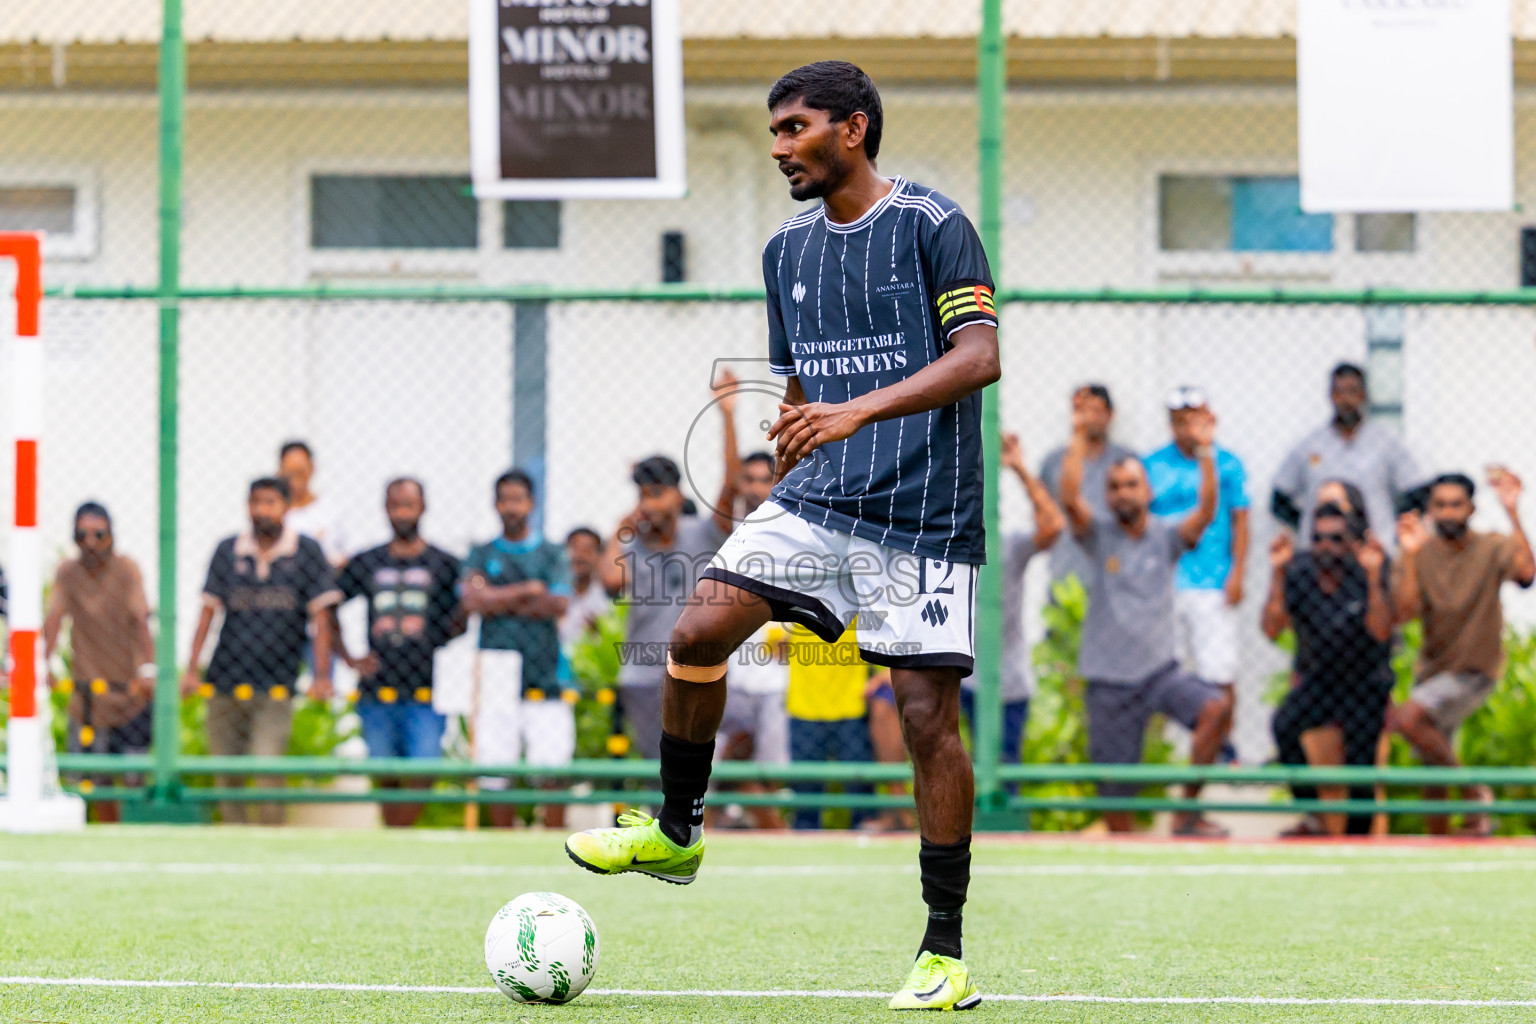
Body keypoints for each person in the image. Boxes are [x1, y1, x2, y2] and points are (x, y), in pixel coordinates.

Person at [566, 61, 999, 1010]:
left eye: (794, 129)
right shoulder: (784, 250)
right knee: (693, 633)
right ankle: (678, 833)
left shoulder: (935, 226)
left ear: (852, 129)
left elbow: (981, 357)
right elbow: (800, 382)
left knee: (926, 721)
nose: (777, 149)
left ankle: (943, 951)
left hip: (928, 512)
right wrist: (803, 426)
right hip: (824, 500)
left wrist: (853, 412)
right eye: (772, 132)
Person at [1060, 401, 1232, 837]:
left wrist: (1207, 451)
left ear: (1147, 490)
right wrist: (1080, 437)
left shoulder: (1167, 536)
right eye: (1115, 486)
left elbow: (1209, 510)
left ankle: (1186, 816)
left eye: (1131, 484)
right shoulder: (1098, 535)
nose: (1123, 493)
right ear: (1107, 496)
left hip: (1159, 674)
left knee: (1215, 710)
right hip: (1108, 682)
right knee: (1118, 811)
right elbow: (1068, 499)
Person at [598, 372, 742, 761]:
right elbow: (610, 580)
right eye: (643, 495)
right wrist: (621, 528)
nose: (650, 504)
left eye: (658, 494)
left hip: (694, 671)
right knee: (655, 768)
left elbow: (731, 485)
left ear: (679, 496)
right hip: (643, 676)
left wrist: (727, 413)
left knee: (700, 762)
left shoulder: (703, 534)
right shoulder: (632, 546)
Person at [182, 477, 340, 825]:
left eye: (270, 502)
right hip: (225, 679)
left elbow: (321, 621)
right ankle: (236, 840)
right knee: (227, 772)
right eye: (255, 502)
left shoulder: (306, 552)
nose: (261, 511)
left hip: (276, 682)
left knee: (268, 767)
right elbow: (207, 613)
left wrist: (322, 676)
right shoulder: (228, 550)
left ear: (287, 507)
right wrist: (192, 669)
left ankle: (270, 840)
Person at [1393, 469, 1535, 835]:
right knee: (1433, 766)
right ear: (1429, 511)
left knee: (1408, 719)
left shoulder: (1490, 546)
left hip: (1475, 669)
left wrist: (1513, 510)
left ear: (1471, 508)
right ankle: (1443, 843)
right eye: (1440, 506)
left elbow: (1525, 573)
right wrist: (1408, 557)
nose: (1449, 513)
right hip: (1434, 671)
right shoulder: (1420, 552)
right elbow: (1404, 612)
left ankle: (1474, 794)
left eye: (1456, 505)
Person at [332, 478, 462, 828]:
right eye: (395, 505)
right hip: (378, 683)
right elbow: (327, 605)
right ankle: (395, 831)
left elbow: (463, 615)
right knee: (383, 768)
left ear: (423, 507)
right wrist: (348, 656)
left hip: (428, 685)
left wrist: (445, 646)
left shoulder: (445, 563)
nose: (402, 512)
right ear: (385, 509)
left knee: (424, 767)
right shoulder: (367, 561)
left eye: (409, 504)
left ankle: (399, 829)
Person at [1264, 504, 1394, 836]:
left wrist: (1374, 579)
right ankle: (1312, 816)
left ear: (1351, 543)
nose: (1326, 546)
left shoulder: (1368, 570)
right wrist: (1276, 573)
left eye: (1336, 539)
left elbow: (1381, 630)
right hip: (1321, 680)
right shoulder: (1299, 572)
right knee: (1284, 725)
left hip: (1365, 681)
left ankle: (1357, 841)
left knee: (1360, 768)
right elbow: (1270, 628)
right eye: (1318, 538)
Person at [461, 469, 572, 829]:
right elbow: (472, 600)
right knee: (495, 771)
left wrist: (497, 599)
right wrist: (527, 591)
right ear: (495, 504)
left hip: (545, 677)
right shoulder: (481, 552)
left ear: (532, 503)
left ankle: (557, 844)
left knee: (552, 771)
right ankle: (502, 841)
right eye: (505, 499)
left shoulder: (552, 552)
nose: (512, 507)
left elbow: (556, 604)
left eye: (519, 499)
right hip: (494, 678)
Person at [1144, 386, 1249, 757]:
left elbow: (1241, 521)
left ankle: (1222, 751)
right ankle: (1162, 753)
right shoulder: (1151, 465)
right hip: (1163, 584)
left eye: (1193, 418)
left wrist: (1237, 573)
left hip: (1211, 581)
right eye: (1178, 420)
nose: (1185, 427)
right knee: (1158, 671)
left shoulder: (1229, 464)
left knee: (1218, 670)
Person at [43, 502, 156, 823]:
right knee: (95, 780)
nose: (90, 542)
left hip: (130, 694)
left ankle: (137, 837)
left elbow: (141, 619)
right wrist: (43, 664)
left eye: (98, 534)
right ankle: (109, 834)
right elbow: (54, 620)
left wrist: (148, 670)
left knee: (134, 778)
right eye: (81, 535)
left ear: (111, 536)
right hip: (88, 696)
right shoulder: (68, 572)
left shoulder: (126, 569)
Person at [959, 433, 1063, 769]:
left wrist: (1018, 467)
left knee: (1004, 769)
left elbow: (1053, 525)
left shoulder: (1010, 546)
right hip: (954, 676)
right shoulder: (945, 541)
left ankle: (1001, 822)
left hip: (1007, 682)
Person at [716, 452, 791, 829]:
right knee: (719, 768)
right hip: (732, 679)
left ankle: (771, 831)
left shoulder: (799, 532)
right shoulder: (726, 534)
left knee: (768, 774)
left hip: (779, 683)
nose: (758, 488)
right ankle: (719, 824)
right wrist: (727, 412)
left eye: (766, 479)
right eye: (750, 479)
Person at [1271, 364, 1424, 545]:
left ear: (1364, 395)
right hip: (1321, 556)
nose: (1345, 399)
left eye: (1352, 391)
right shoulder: (1309, 446)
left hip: (1374, 551)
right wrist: (1309, 527)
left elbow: (1417, 493)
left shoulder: (1386, 443)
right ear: (1330, 395)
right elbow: (1279, 500)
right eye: (1339, 392)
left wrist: (1392, 529)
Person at [1040, 385, 1133, 590]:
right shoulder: (1054, 462)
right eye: (1082, 411)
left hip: (1115, 570)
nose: (1089, 418)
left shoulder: (1127, 461)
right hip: (1066, 569)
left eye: (1096, 411)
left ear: (1110, 414)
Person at [784, 623, 874, 830]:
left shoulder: (858, 594)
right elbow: (773, 639)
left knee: (860, 787)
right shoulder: (794, 594)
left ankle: (863, 831)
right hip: (805, 705)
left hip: (851, 703)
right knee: (806, 794)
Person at [278, 440, 350, 568]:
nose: (295, 480)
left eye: (300, 473)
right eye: (290, 473)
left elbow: (346, 555)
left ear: (312, 469)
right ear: (280, 472)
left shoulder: (331, 509)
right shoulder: (275, 514)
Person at [559, 527, 612, 651]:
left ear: (599, 556)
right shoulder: (555, 593)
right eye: (574, 548)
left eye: (587, 550)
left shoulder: (607, 597)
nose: (580, 556)